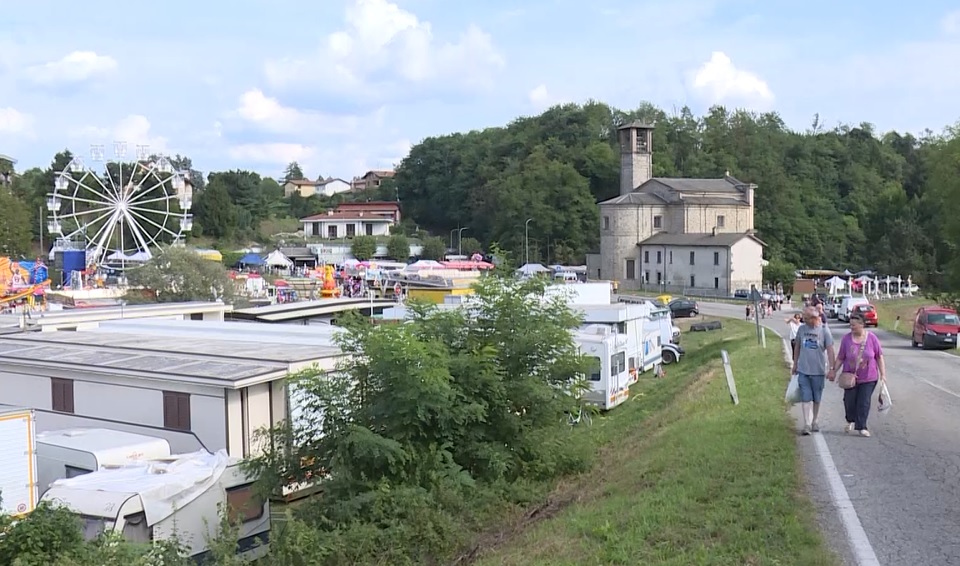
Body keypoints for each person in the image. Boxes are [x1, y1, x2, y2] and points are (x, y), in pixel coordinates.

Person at [831, 312, 886, 437]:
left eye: (854, 325)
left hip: (869, 377)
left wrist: (883, 374)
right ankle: (850, 419)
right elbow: (840, 357)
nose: (851, 327)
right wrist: (833, 370)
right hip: (849, 376)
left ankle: (862, 426)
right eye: (850, 325)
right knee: (849, 401)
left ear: (862, 325)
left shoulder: (872, 338)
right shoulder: (846, 339)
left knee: (864, 401)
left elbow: (879, 356)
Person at [792, 306, 837, 435]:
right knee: (806, 397)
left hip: (818, 371)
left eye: (806, 318)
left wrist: (832, 368)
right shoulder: (802, 329)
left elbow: (830, 350)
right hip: (803, 370)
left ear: (814, 318)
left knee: (816, 398)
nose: (803, 320)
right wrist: (795, 364)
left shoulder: (824, 331)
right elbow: (797, 347)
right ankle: (806, 423)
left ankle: (815, 421)